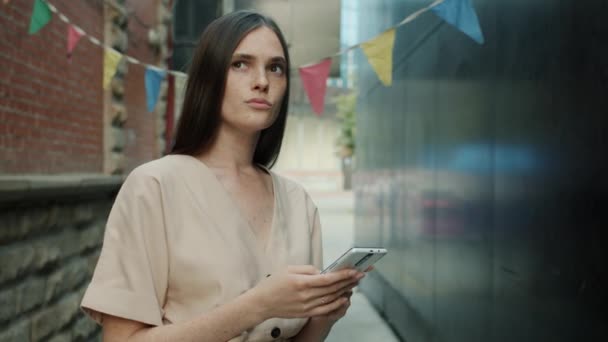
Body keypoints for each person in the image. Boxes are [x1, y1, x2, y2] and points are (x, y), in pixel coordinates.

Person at [81, 10, 366, 341]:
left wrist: (324, 317)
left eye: (275, 68)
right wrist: (256, 306)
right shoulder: (155, 187)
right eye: (241, 64)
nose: (262, 81)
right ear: (209, 78)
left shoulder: (298, 203)